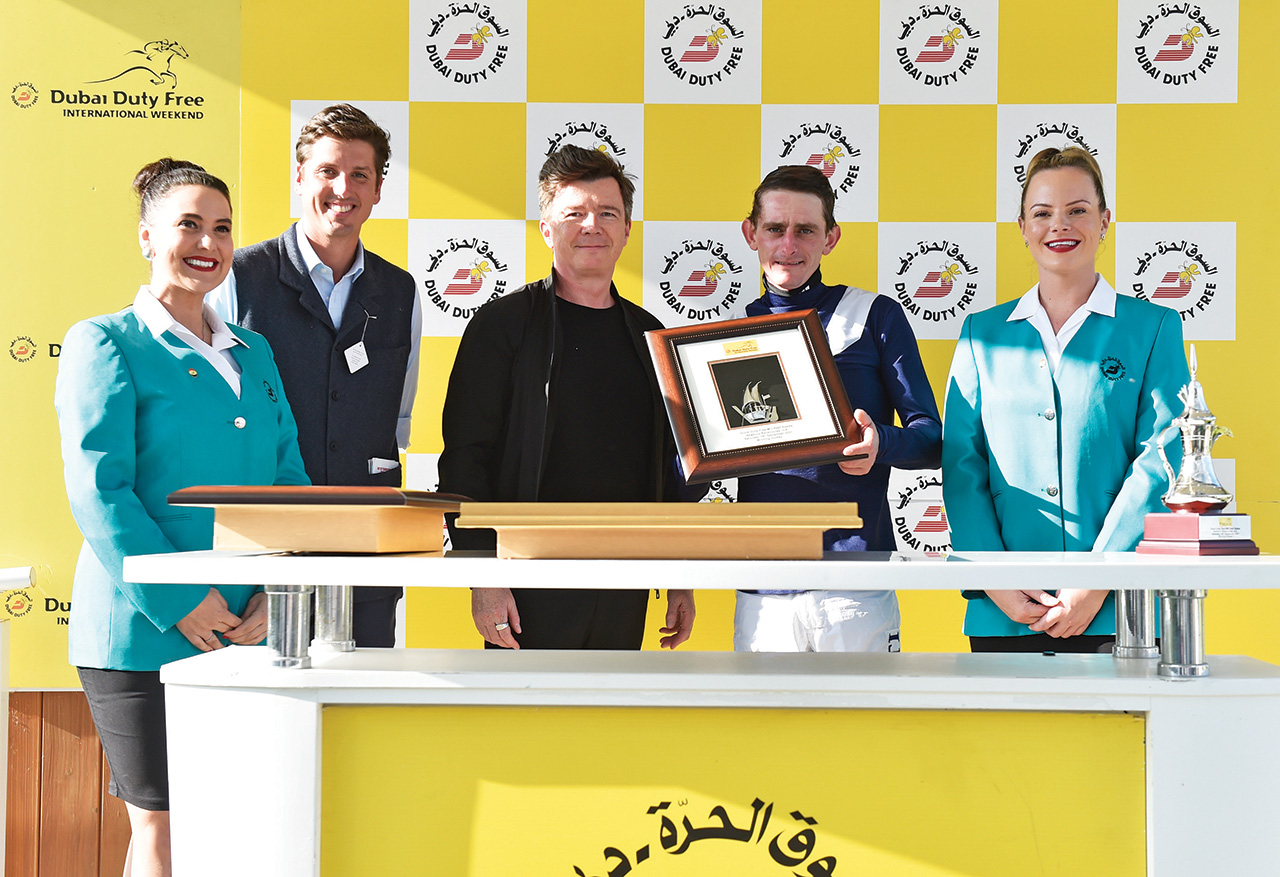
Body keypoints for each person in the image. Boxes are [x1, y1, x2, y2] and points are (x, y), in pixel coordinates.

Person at [55, 159, 310, 876]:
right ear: (147, 236)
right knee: (163, 828)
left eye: (222, 228)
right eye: (189, 225)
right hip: (143, 629)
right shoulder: (105, 342)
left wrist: (281, 590)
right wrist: (179, 598)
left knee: (232, 822)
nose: (209, 242)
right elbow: (100, 491)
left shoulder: (255, 351)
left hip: (249, 624)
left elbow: (290, 483)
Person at [438, 145, 695, 651]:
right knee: (524, 706)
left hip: (624, 582)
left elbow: (671, 469)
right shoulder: (502, 326)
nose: (592, 225)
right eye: (574, 213)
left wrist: (679, 573)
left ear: (627, 230)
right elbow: (466, 459)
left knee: (613, 705)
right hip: (526, 583)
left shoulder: (651, 336)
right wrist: (483, 576)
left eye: (608, 213)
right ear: (547, 229)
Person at [942, 146, 1187, 652]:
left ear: (1104, 221)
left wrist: (1098, 577)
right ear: (1022, 227)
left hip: (1121, 609)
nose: (1060, 225)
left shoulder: (1154, 327)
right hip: (1005, 611)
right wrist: (993, 577)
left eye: (1078, 210)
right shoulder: (980, 334)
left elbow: (1161, 459)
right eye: (1042, 213)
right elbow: (963, 467)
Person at [209, 104, 421, 647]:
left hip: (365, 550)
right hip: (263, 553)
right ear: (300, 178)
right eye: (328, 171)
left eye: (360, 174)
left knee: (362, 693)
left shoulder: (400, 291)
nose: (343, 188)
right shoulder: (240, 277)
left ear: (378, 190)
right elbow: (220, 420)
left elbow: (395, 420)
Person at [732, 165, 942, 652]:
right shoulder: (723, 337)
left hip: (854, 584)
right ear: (751, 233)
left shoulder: (874, 315)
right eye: (775, 228)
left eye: (805, 230)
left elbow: (930, 438)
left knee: (864, 709)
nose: (789, 245)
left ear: (830, 237)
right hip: (763, 588)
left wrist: (881, 443)